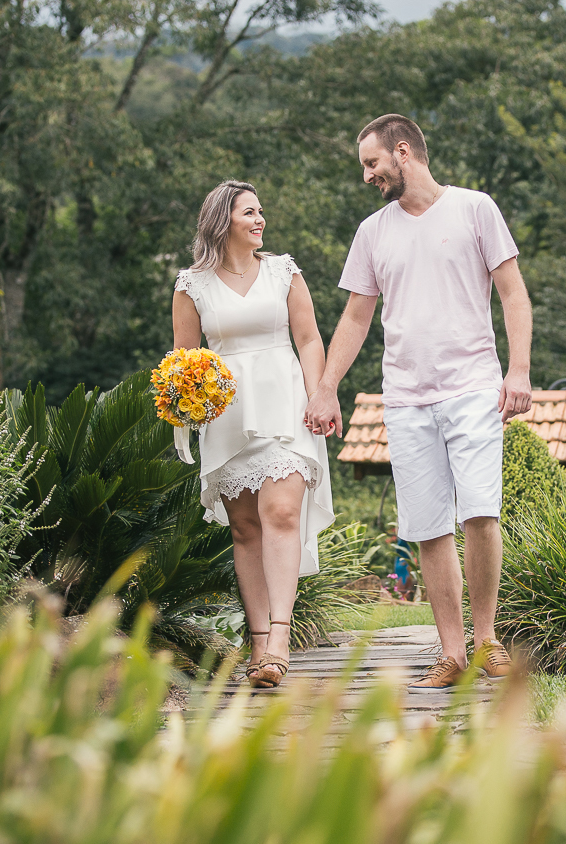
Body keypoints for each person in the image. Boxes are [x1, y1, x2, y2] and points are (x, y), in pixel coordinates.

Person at [305, 114, 533, 691]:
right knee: (428, 526)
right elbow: (357, 317)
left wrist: (520, 370)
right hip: (405, 398)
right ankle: (452, 654)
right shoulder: (373, 232)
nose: (367, 175)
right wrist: (328, 384)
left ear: (403, 153)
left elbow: (513, 293)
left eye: (372, 163)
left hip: (474, 385)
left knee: (480, 511)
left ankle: (487, 642)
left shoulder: (476, 208)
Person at [173, 180, 335, 688]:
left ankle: (281, 639)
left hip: (285, 401)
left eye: (261, 210)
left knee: (282, 511)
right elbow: (186, 360)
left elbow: (308, 339)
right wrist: (187, 405)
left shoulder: (284, 272)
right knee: (245, 528)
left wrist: (318, 395)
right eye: (249, 212)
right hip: (226, 414)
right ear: (223, 221)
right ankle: (259, 642)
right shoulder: (190, 286)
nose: (260, 219)